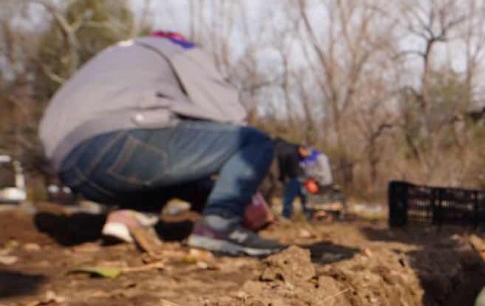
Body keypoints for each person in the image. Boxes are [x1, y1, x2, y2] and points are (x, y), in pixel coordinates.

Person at [38, 31, 285, 257]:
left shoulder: (115, 57)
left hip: (69, 166)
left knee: (171, 159)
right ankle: (219, 225)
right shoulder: (176, 46)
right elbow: (228, 116)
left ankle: (131, 216)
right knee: (252, 141)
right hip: (121, 140)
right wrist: (244, 192)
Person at [275, 139, 310, 221]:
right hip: (293, 178)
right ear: (302, 149)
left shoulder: (293, 151)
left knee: (304, 197)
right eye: (306, 152)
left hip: (297, 178)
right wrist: (282, 177)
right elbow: (288, 168)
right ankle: (286, 215)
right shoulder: (292, 153)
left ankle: (307, 214)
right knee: (289, 197)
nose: (307, 155)